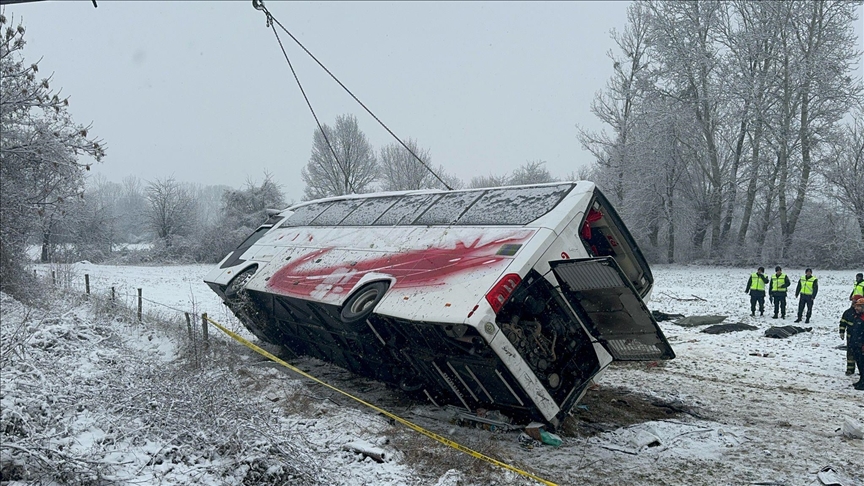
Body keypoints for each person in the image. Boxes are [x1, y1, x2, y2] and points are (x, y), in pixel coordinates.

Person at [840, 295, 862, 376]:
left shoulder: (860, 314)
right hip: (850, 337)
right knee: (850, 354)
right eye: (853, 301)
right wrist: (841, 332)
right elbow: (842, 323)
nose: (853, 303)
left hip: (860, 339)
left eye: (855, 302)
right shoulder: (847, 313)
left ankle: (861, 370)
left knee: (860, 355)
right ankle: (850, 369)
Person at [849, 298, 864, 390]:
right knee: (860, 364)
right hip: (856, 344)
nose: (856, 308)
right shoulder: (857, 317)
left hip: (861, 345)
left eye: (858, 306)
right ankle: (862, 380)